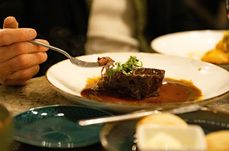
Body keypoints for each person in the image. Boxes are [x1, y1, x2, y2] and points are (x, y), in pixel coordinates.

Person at [0, 0, 200, 86]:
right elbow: (10, 27)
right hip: (63, 87)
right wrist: (12, 57)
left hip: (155, 81)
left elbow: (180, 30)